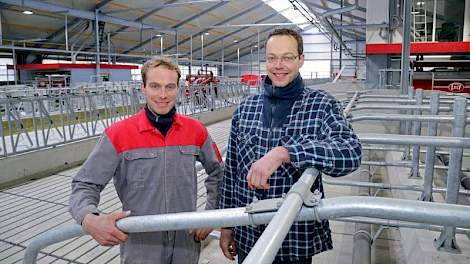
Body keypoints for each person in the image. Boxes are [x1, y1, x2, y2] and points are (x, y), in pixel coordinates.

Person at [218, 28, 362, 263]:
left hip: (294, 238)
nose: (279, 65)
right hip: (248, 234)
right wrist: (226, 226)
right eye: (272, 58)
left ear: (301, 60)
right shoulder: (246, 109)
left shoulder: (321, 105)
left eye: (287, 57)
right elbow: (231, 172)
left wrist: (286, 153)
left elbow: (351, 153)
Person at [69, 58, 224, 264]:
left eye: (170, 87)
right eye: (154, 86)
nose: (162, 95)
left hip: (185, 243)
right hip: (140, 245)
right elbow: (84, 184)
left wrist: (210, 215)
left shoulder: (195, 130)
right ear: (142, 88)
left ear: (178, 88)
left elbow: (219, 172)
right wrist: (89, 218)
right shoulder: (118, 135)